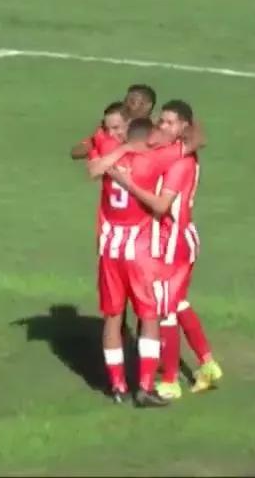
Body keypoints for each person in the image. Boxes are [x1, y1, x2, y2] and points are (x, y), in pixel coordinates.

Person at [107, 100, 221, 399]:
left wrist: (126, 181)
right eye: (162, 121)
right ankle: (206, 363)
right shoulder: (170, 152)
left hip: (174, 241)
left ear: (184, 127)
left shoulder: (182, 161)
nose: (163, 127)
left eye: (170, 123)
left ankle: (169, 380)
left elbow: (161, 205)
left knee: (164, 309)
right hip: (168, 238)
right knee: (177, 302)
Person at [86, 117, 189, 407]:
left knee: (113, 318)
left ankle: (117, 386)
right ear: (148, 138)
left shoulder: (109, 156)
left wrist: (119, 149)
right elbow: (192, 143)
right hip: (139, 252)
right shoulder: (154, 160)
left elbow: (92, 167)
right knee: (149, 316)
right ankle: (144, 386)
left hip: (110, 249)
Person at [69, 84, 156, 161]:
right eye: (125, 100)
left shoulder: (157, 131)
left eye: (131, 102)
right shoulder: (111, 128)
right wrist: (99, 143)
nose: (125, 105)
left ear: (146, 106)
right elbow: (76, 152)